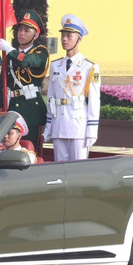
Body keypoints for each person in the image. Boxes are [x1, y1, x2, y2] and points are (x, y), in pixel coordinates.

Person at [43, 14, 100, 161]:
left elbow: (94, 100)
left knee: (78, 171)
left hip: (78, 127)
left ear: (79, 38)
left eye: (69, 36)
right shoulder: (56, 65)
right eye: (63, 35)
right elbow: (51, 98)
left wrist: (92, 130)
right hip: (59, 125)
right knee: (60, 169)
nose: (64, 39)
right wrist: (48, 126)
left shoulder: (90, 67)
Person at [0, 10, 50, 151]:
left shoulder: (40, 52)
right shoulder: (10, 54)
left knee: (31, 149)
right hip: (13, 107)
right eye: (20, 29)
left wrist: (9, 50)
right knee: (10, 148)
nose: (21, 33)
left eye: (27, 30)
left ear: (36, 35)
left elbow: (26, 61)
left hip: (31, 109)